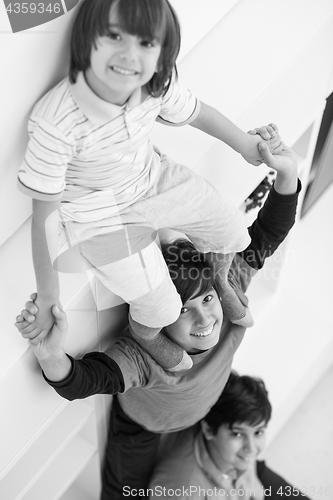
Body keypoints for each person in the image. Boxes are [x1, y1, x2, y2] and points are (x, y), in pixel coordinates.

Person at [15, 143, 300, 499]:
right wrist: (50, 355)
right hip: (143, 426)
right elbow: (85, 381)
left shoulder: (229, 292)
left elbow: (267, 235)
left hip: (202, 402)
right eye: (183, 309)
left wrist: (287, 173)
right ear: (159, 318)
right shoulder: (141, 357)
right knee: (124, 491)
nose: (205, 318)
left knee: (250, 417)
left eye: (207, 299)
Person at [17, 0, 282, 372]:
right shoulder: (57, 121)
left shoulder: (156, 80)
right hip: (100, 219)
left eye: (145, 44)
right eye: (113, 37)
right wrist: (48, 298)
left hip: (153, 178)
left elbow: (197, 112)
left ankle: (221, 283)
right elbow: (42, 217)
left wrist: (247, 146)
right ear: (86, 38)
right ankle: (149, 335)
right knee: (162, 307)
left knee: (234, 230)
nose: (129, 54)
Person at [148, 372, 311, 500]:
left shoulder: (241, 455)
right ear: (209, 430)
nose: (251, 448)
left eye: (258, 432)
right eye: (237, 434)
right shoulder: (180, 490)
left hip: (243, 479)